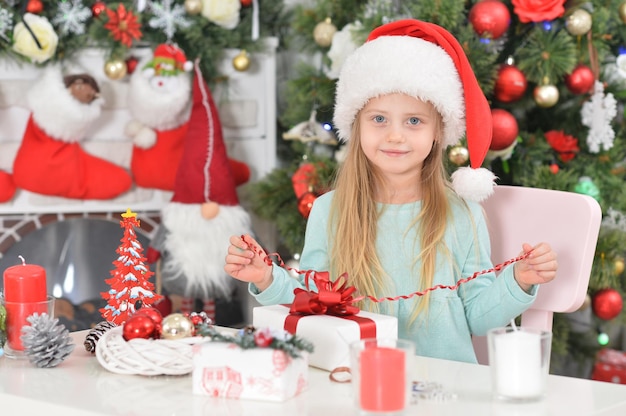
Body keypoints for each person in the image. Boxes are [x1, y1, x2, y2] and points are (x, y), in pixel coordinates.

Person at [224, 19, 558, 363]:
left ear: (438, 132)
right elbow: (311, 303)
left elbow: (479, 318)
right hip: (356, 382)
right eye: (379, 119)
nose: (395, 135)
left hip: (443, 390)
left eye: (413, 121)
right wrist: (266, 278)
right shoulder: (330, 212)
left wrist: (518, 280)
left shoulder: (462, 215)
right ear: (356, 124)